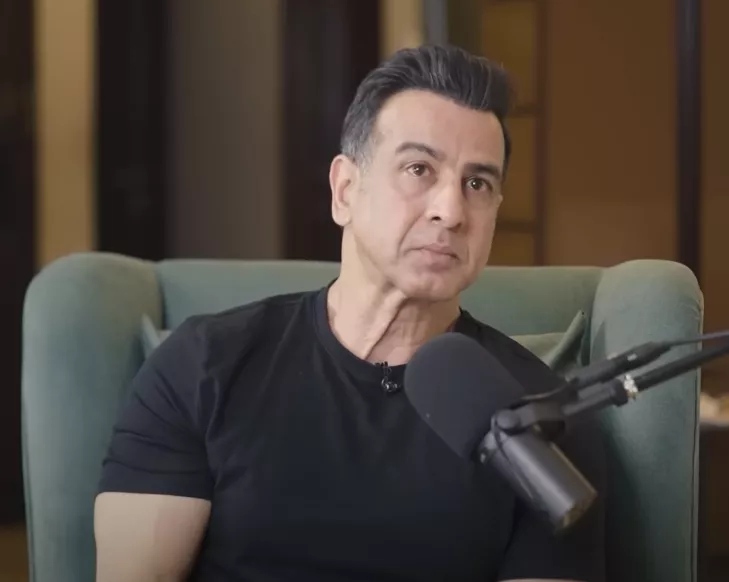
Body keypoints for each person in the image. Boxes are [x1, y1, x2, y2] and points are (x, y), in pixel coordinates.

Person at [94, 44, 606, 582]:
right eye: (418, 169)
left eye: (478, 183)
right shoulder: (203, 367)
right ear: (345, 191)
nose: (451, 211)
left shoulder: (540, 423)